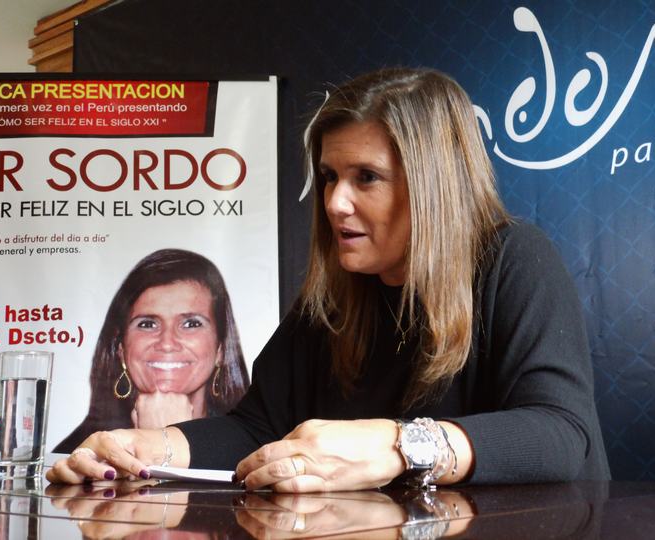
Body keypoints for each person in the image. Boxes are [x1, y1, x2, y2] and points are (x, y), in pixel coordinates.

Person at [47, 67, 610, 491]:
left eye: (367, 177)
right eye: (329, 176)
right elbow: (256, 429)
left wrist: (397, 444)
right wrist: (150, 447)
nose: (336, 202)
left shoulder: (514, 259)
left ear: (433, 187)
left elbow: (561, 434)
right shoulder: (332, 300)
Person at [53, 248, 249, 453]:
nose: (167, 343)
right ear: (120, 348)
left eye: (191, 324)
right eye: (147, 324)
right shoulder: (74, 454)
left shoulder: (250, 450)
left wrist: (165, 440)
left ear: (221, 349)